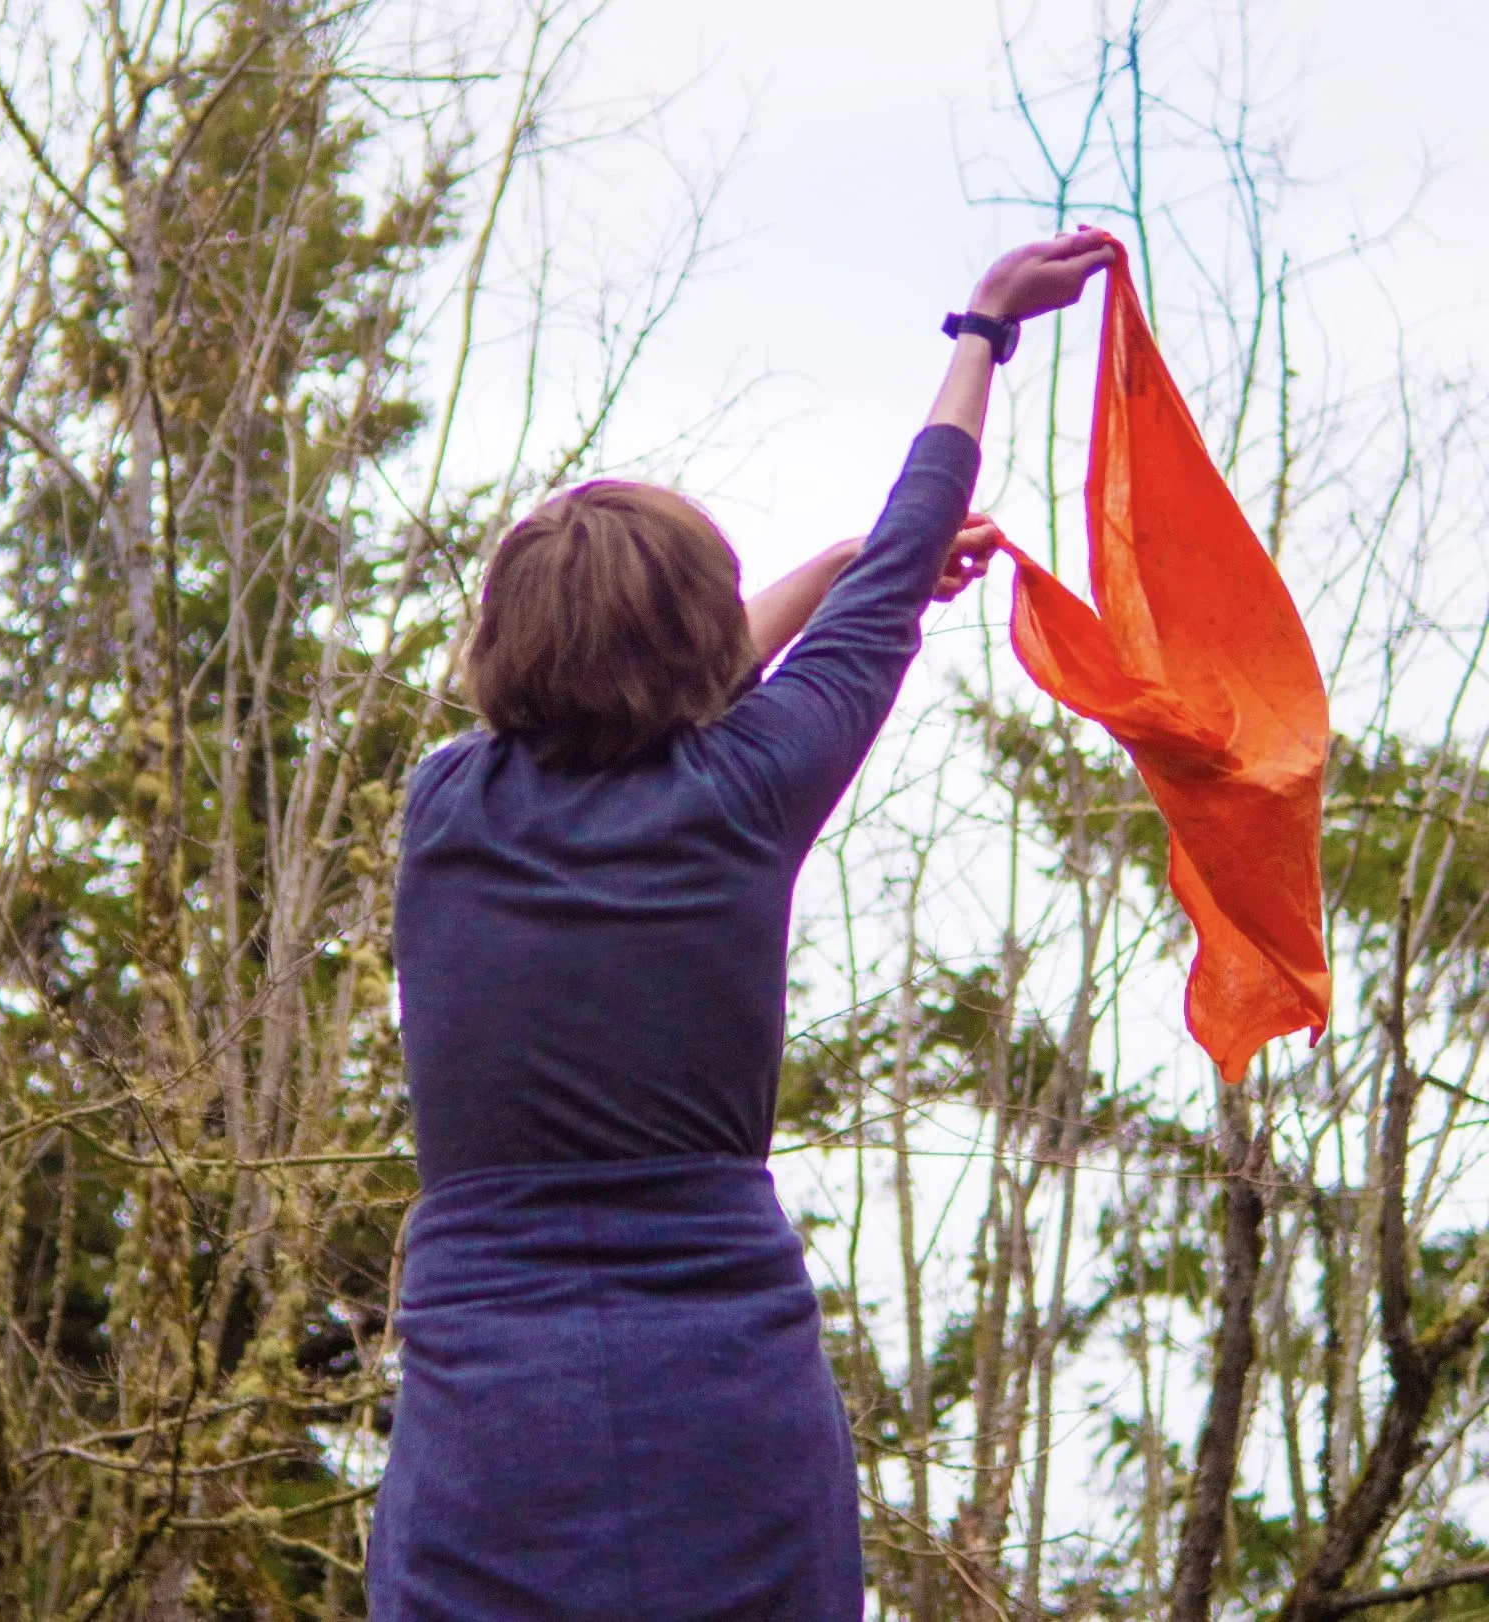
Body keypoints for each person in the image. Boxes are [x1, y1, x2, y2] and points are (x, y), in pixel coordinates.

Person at [366, 229, 1116, 1622]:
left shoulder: (445, 807)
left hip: (491, 1421)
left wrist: (827, 577)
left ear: (500, 647)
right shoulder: (744, 789)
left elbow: (702, 662)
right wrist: (983, 329)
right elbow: (898, 563)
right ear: (705, 653)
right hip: (723, 1394)